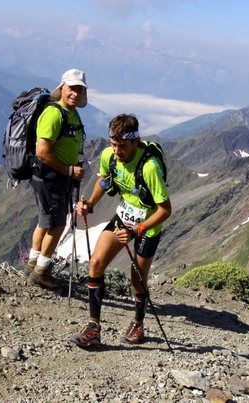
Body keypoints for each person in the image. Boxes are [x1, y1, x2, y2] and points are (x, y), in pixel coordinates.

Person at [69, 113, 171, 347]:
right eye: (113, 144)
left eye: (123, 146)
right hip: (123, 217)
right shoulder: (109, 156)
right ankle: (93, 327)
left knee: (137, 278)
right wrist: (90, 204)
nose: (117, 151)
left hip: (147, 226)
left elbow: (165, 210)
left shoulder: (149, 168)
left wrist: (137, 231)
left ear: (136, 141)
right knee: (96, 263)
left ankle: (138, 322)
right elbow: (104, 181)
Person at [25, 69, 87, 290]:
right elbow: (42, 151)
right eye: (72, 88)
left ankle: (32, 264)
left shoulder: (71, 114)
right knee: (57, 223)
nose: (75, 94)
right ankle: (41, 272)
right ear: (62, 88)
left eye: (80, 90)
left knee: (45, 220)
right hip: (50, 177)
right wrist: (70, 171)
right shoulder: (54, 114)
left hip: (55, 177)